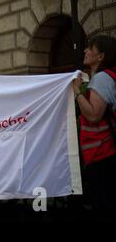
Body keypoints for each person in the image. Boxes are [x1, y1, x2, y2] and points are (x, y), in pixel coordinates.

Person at [72, 35, 116, 221]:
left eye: (90, 48)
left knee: (105, 208)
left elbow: (93, 115)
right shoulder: (103, 78)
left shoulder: (102, 79)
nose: (85, 50)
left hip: (103, 155)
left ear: (101, 57)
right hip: (103, 155)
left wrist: (76, 91)